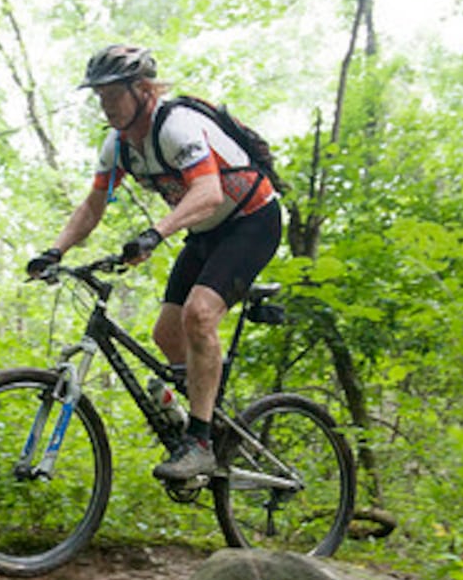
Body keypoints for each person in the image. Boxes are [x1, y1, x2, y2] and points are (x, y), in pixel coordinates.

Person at [26, 44, 283, 482]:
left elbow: (208, 193)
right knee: (166, 333)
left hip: (252, 222)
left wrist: (155, 234)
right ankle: (207, 420)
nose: (104, 106)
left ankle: (199, 443)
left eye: (112, 96)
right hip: (205, 232)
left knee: (199, 316)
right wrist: (55, 251)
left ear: (142, 90)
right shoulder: (118, 145)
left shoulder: (177, 126)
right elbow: (92, 206)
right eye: (99, 98)